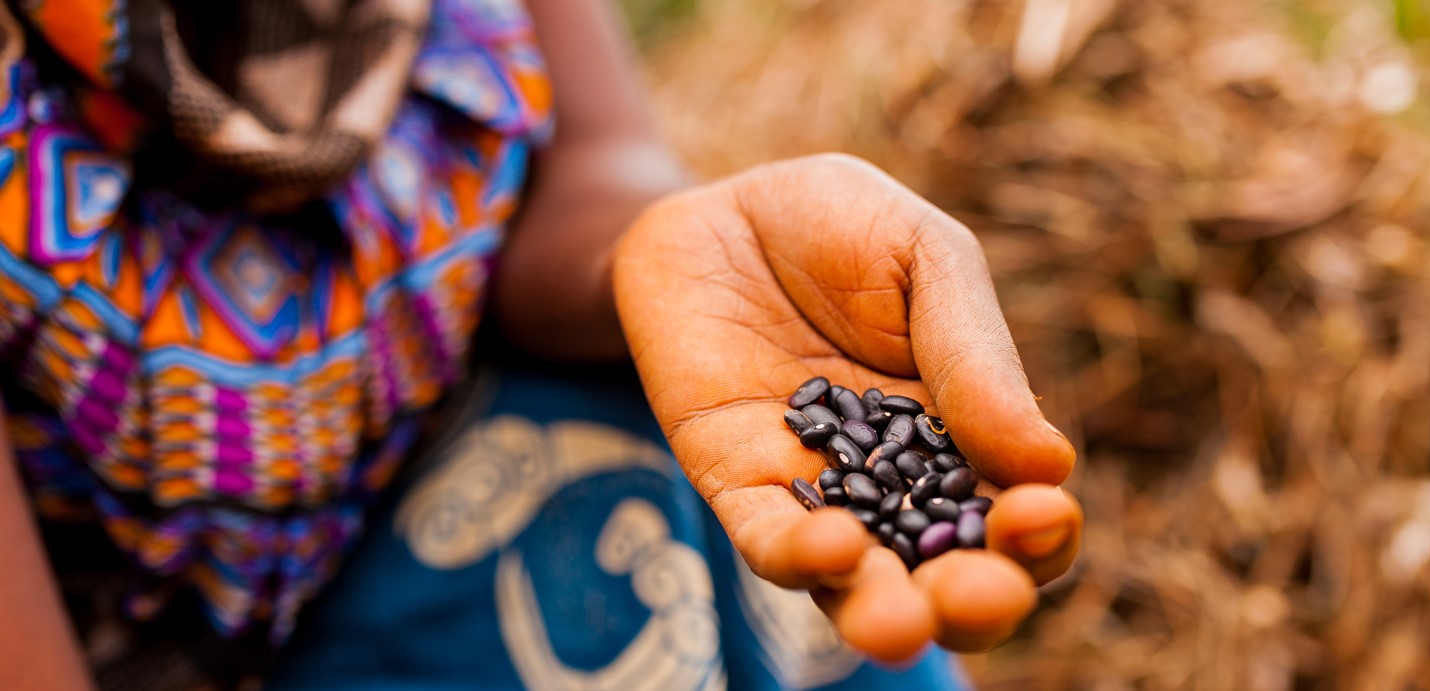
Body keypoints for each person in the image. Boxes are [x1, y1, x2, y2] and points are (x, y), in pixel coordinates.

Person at [0, 0, 1084, 688]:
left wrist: (666, 254)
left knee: (675, 458)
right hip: (182, 645)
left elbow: (588, 168)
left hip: (446, 465)